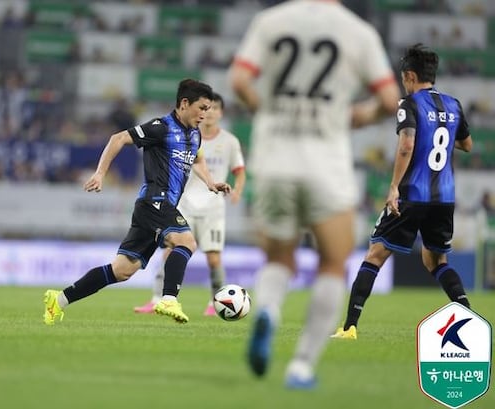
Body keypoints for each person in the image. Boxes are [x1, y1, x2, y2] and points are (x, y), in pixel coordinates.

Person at [229, 0, 400, 389]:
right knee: (333, 263)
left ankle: (268, 311)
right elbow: (390, 100)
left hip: (274, 159)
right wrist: (357, 117)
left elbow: (239, 80)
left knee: (279, 257)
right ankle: (301, 367)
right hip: (326, 162)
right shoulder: (358, 32)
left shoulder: (270, 21)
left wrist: (267, 113)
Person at [43, 79, 231, 325]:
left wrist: (210, 182)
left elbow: (197, 159)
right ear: (185, 103)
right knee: (186, 241)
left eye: (209, 109)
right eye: (202, 108)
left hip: (155, 208)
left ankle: (59, 300)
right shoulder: (161, 127)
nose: (205, 114)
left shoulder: (194, 134)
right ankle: (168, 299)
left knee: (122, 270)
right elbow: (118, 138)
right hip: (155, 200)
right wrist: (100, 173)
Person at [332, 44, 473, 340]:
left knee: (375, 255)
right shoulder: (454, 104)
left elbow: (407, 145)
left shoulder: (408, 104)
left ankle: (349, 327)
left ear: (409, 76)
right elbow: (467, 144)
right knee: (436, 262)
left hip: (411, 194)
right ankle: (470, 320)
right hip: (444, 198)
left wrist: (394, 186)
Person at [133, 92, 246, 316]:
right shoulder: (188, 136)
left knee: (213, 258)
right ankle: (156, 299)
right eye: (206, 108)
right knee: (169, 250)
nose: (210, 113)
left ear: (221, 113)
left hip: (213, 207)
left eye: (215, 109)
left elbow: (239, 170)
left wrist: (238, 192)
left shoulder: (230, 141)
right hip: (184, 203)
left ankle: (215, 303)